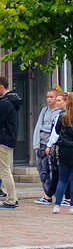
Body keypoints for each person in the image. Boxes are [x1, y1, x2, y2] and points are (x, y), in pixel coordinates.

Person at [32, 85, 61, 204]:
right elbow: (39, 126)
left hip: (53, 146)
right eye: (47, 97)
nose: (49, 99)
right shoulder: (44, 111)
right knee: (43, 171)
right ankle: (46, 194)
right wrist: (36, 144)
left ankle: (54, 193)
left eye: (51, 97)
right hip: (43, 144)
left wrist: (46, 127)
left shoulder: (60, 112)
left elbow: (55, 129)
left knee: (53, 171)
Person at [41, 92, 69, 205]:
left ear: (66, 102)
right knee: (62, 174)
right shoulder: (72, 115)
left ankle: (63, 198)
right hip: (70, 148)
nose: (56, 103)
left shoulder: (62, 115)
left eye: (59, 100)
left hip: (62, 148)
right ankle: (51, 196)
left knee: (60, 173)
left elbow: (55, 133)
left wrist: (49, 146)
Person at [0, 76, 23, 210]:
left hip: (3, 140)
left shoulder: (5, 103)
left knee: (4, 171)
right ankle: (11, 199)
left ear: (1, 87)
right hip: (7, 139)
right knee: (4, 170)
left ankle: (11, 200)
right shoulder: (10, 102)